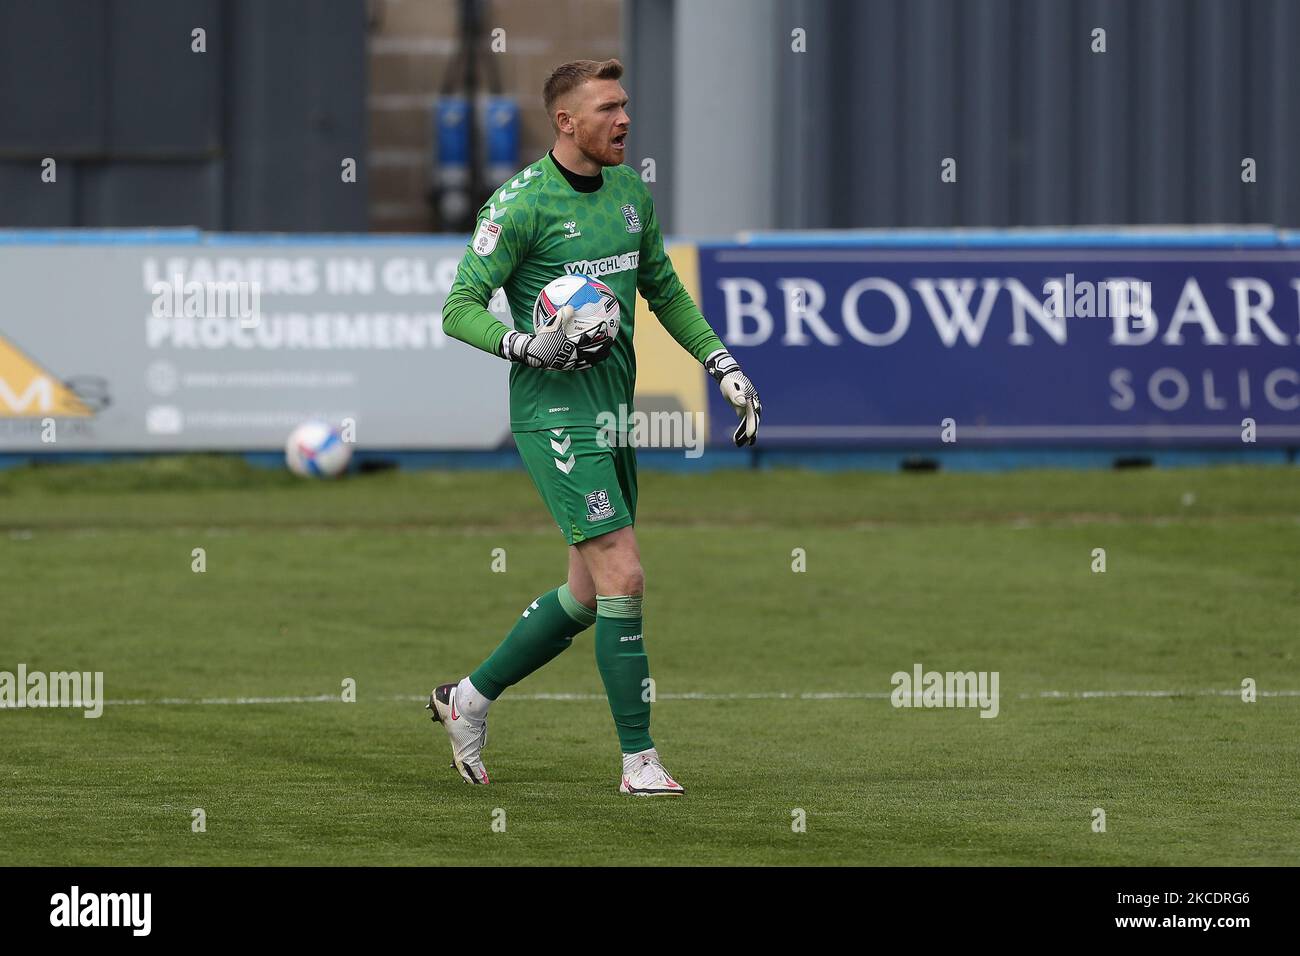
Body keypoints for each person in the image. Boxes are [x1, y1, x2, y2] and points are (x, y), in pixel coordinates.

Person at [432, 57, 761, 795]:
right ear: (565, 121)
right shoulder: (517, 206)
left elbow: (664, 289)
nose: (624, 119)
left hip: (614, 409)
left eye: (625, 105)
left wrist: (722, 362)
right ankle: (638, 762)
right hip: (553, 413)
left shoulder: (630, 192)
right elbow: (458, 307)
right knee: (626, 573)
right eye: (608, 108)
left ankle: (467, 699)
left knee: (587, 593)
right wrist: (522, 343)